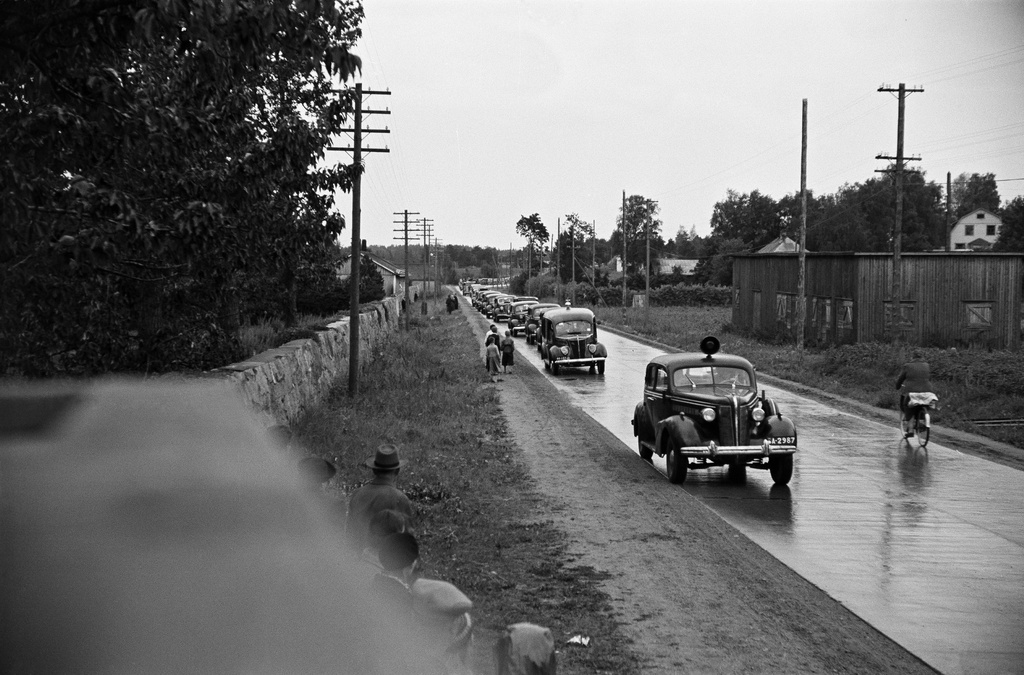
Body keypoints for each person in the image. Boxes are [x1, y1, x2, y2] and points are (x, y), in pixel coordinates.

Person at [346, 444, 415, 551]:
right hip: (383, 562)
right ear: (397, 471)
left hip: (354, 560)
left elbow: (349, 532)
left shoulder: (357, 493)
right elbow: (408, 542)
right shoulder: (399, 498)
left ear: (374, 470)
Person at [895, 348, 938, 436]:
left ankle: (910, 429)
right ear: (922, 356)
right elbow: (928, 377)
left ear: (912, 356)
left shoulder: (907, 366)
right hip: (927, 391)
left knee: (907, 406)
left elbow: (901, 378)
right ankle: (923, 419)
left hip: (912, 391)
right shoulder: (927, 365)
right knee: (925, 404)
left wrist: (898, 386)